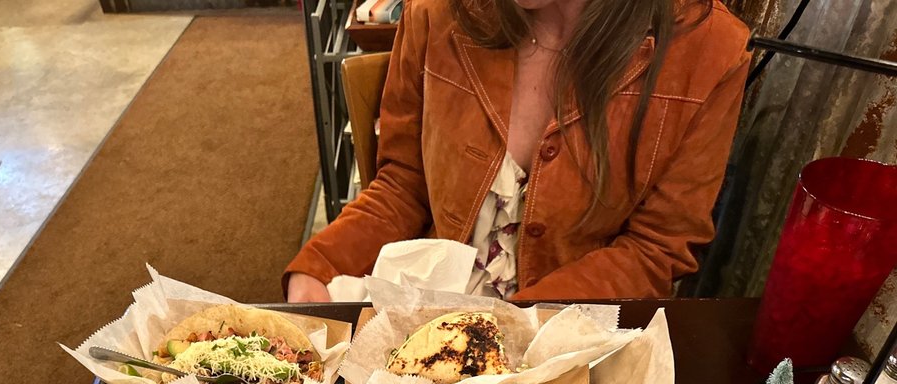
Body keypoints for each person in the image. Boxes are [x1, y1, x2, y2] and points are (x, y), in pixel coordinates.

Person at [284, 0, 750, 302]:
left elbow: (655, 250)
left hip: (576, 341)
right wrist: (319, 266)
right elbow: (404, 184)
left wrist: (510, 327)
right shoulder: (437, 12)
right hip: (426, 313)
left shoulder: (709, 53)